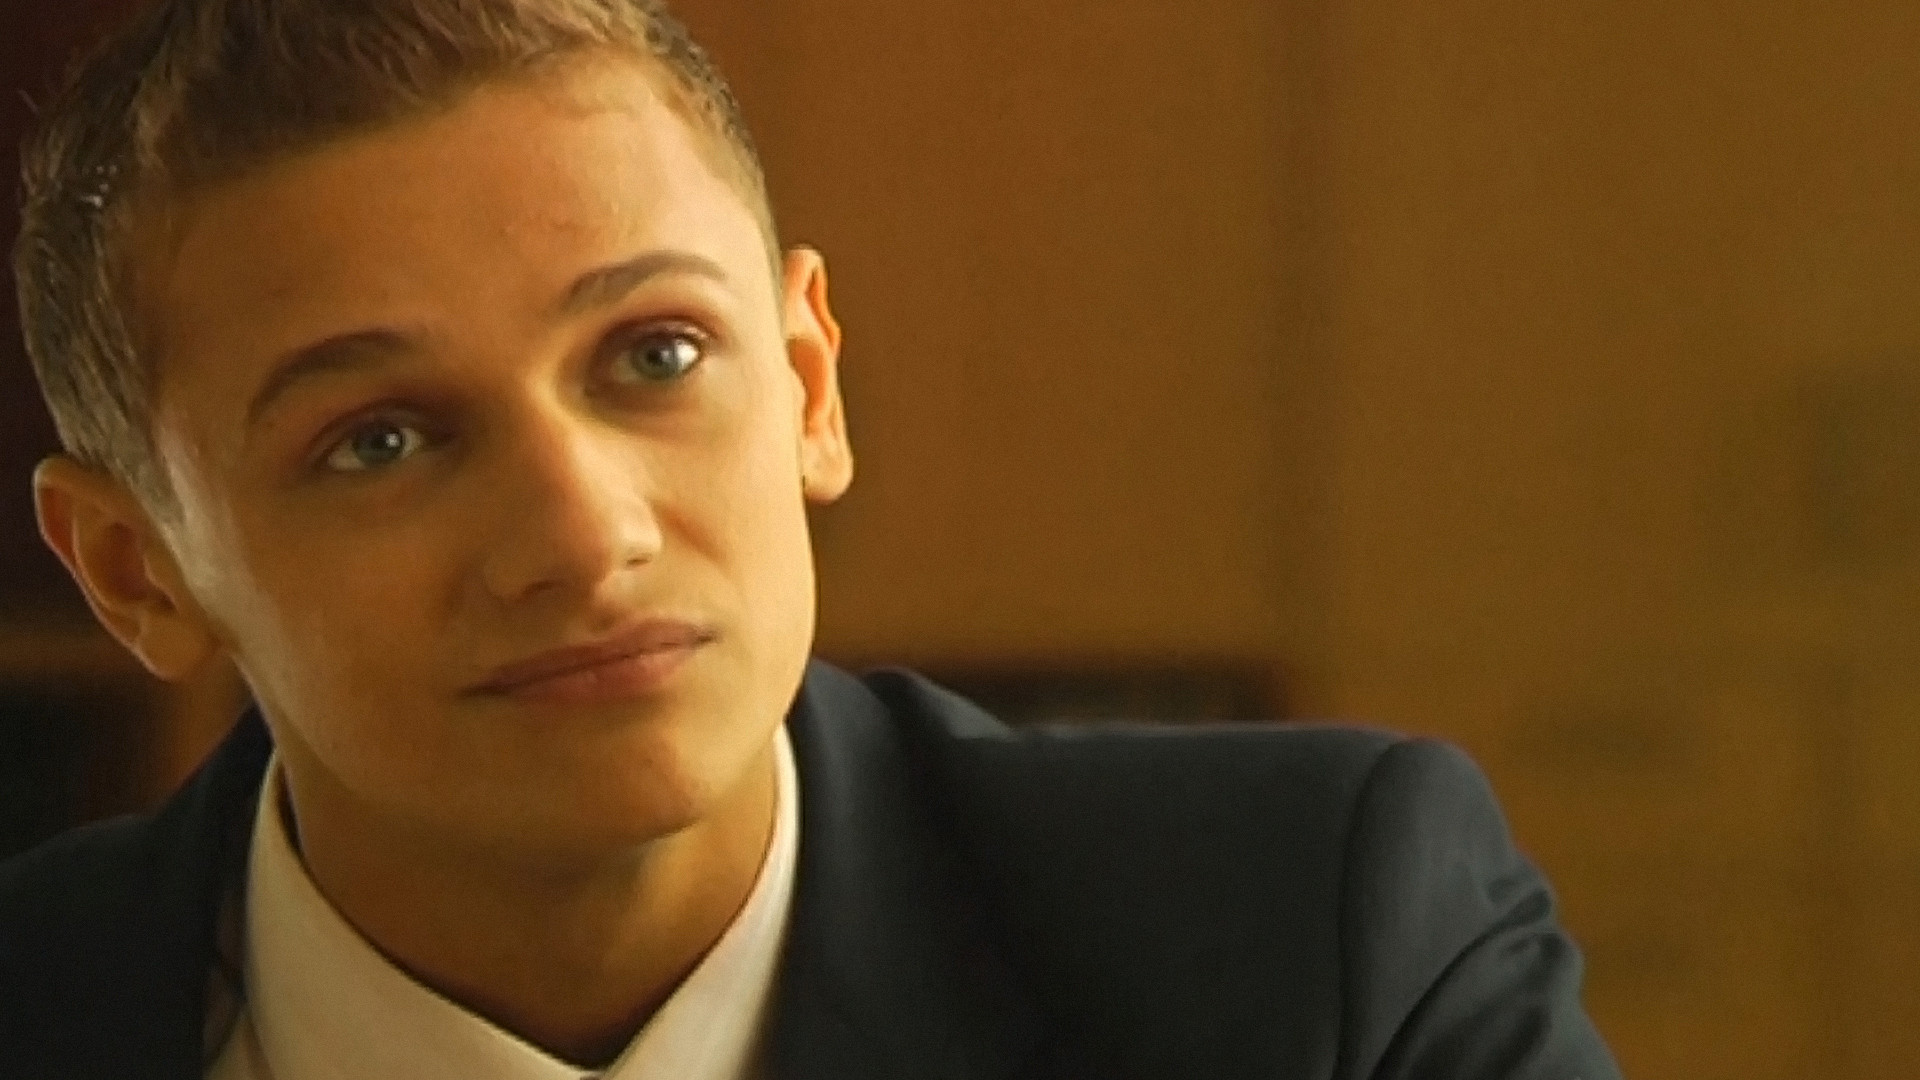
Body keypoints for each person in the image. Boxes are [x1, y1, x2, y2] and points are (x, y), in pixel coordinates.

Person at [0, 1, 1623, 1077]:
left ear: (809, 387)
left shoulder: (1321, 947)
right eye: (380, 441)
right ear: (138, 570)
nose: (584, 534)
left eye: (655, 356)